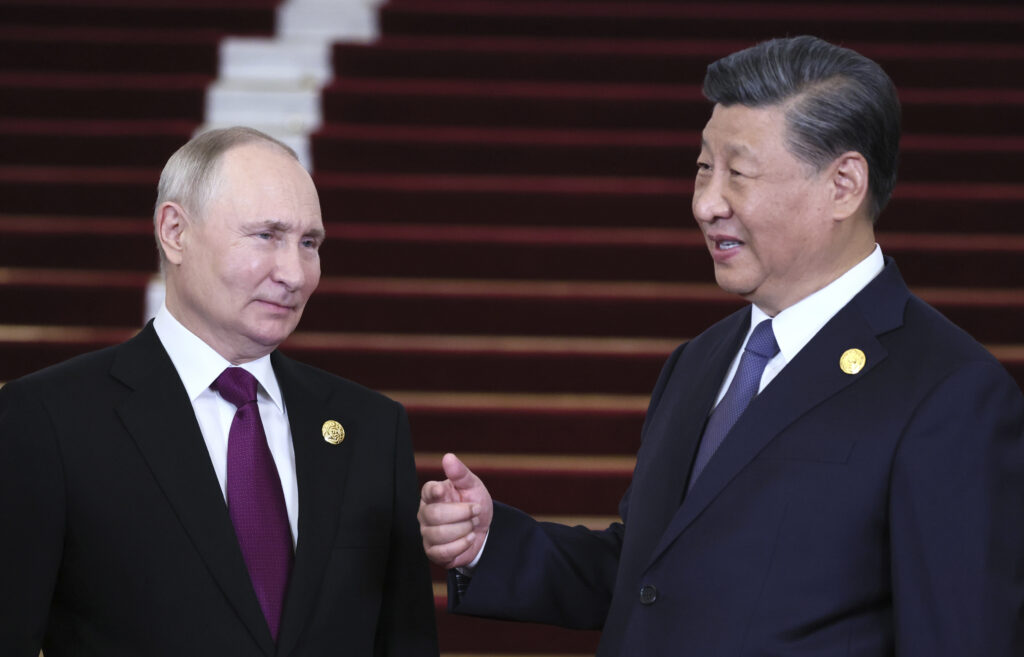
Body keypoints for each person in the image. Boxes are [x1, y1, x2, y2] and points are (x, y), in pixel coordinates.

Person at [418, 36, 1024, 656]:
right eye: (704, 167)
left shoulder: (951, 393)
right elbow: (655, 573)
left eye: (738, 172)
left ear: (843, 184)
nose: (706, 204)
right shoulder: (701, 359)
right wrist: (492, 543)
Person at [0, 127, 439, 656]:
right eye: (267, 236)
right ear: (175, 232)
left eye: (309, 243)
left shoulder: (371, 427)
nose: (295, 274)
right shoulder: (47, 420)